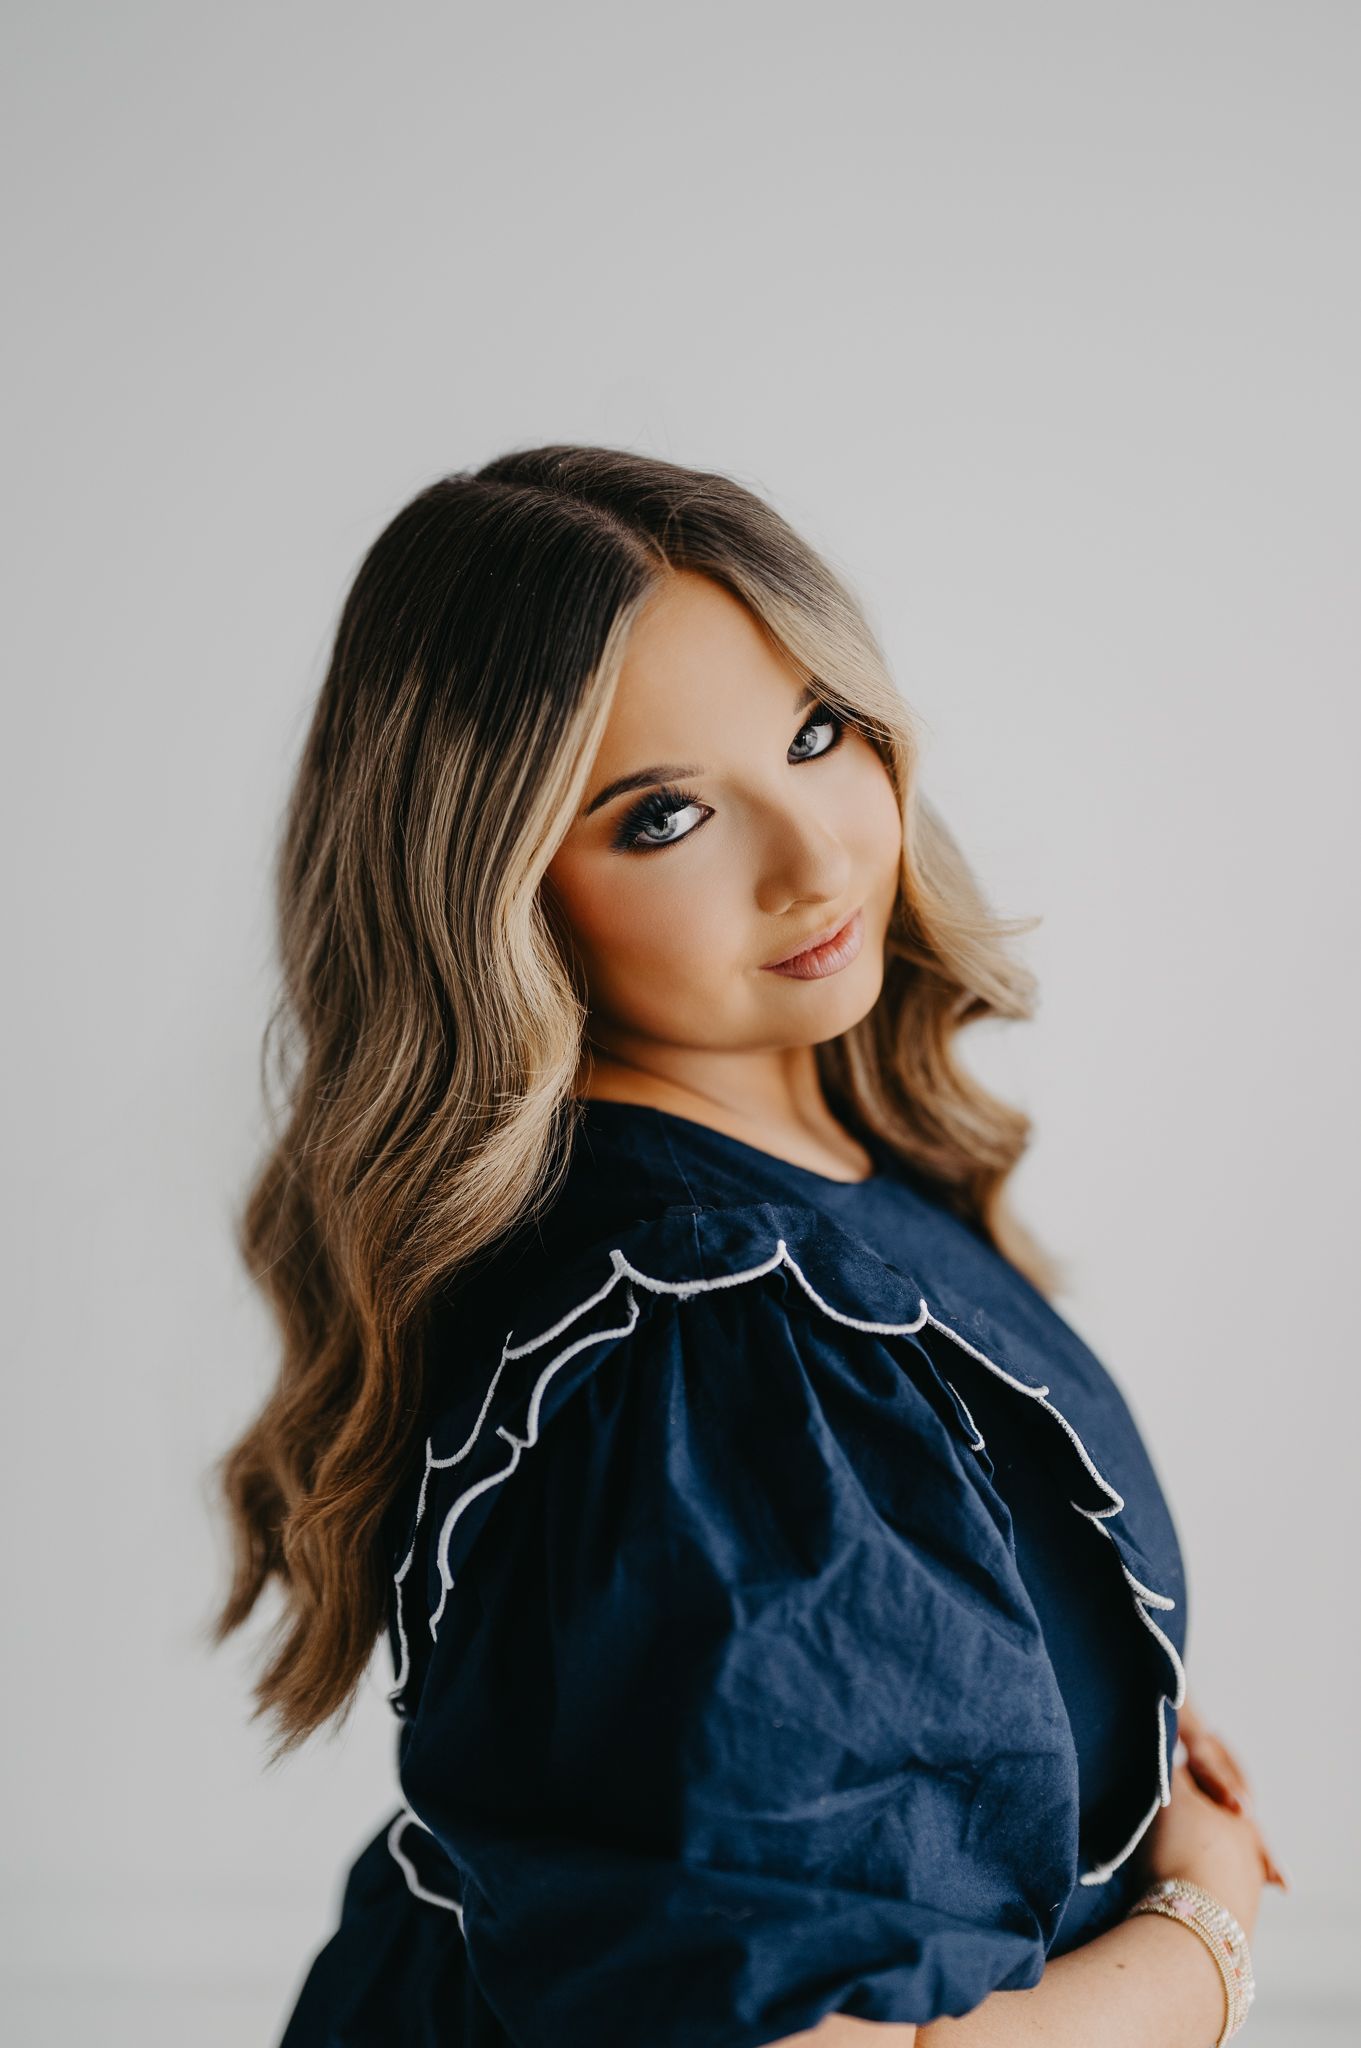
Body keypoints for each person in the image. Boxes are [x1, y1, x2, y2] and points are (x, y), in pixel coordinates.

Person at [211, 444, 1286, 2047]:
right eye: (662, 816)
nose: (813, 858)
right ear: (493, 894)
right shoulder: (719, 1331)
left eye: (814, 731)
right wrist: (1205, 1924)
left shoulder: (802, 1173)